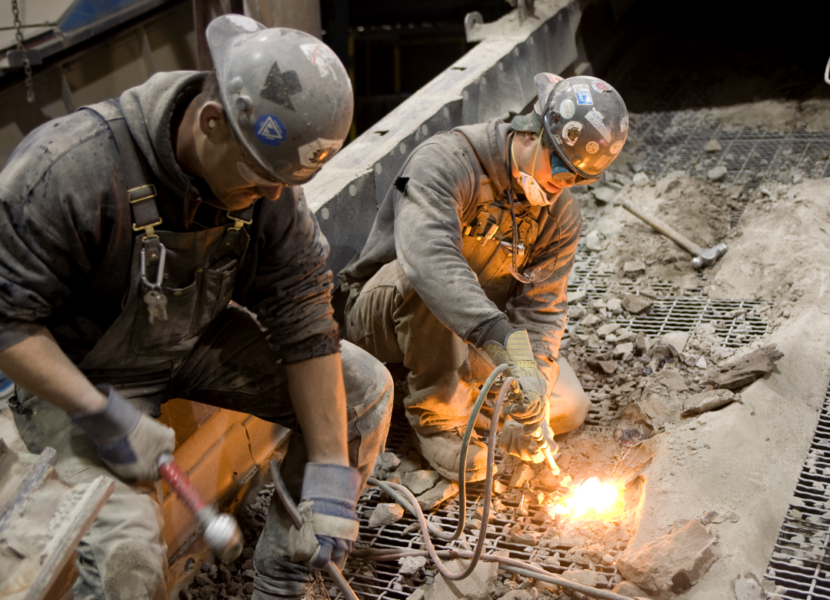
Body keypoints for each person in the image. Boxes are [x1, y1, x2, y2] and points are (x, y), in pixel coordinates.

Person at [0, 15, 392, 600]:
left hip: (191, 341)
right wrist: (96, 409)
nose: (274, 197)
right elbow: (8, 322)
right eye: (261, 181)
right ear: (212, 122)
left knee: (363, 393)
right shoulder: (71, 169)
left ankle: (281, 582)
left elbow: (304, 313)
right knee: (125, 564)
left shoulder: (265, 181)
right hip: (81, 373)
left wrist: (333, 468)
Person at [340, 73, 628, 483]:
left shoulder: (560, 215)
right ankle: (441, 421)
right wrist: (505, 344)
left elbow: (543, 311)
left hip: (473, 335)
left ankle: (480, 410)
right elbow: (429, 261)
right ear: (533, 130)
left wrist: (534, 389)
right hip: (384, 315)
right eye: (561, 166)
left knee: (567, 405)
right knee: (431, 280)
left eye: (577, 179)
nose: (564, 184)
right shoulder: (445, 161)